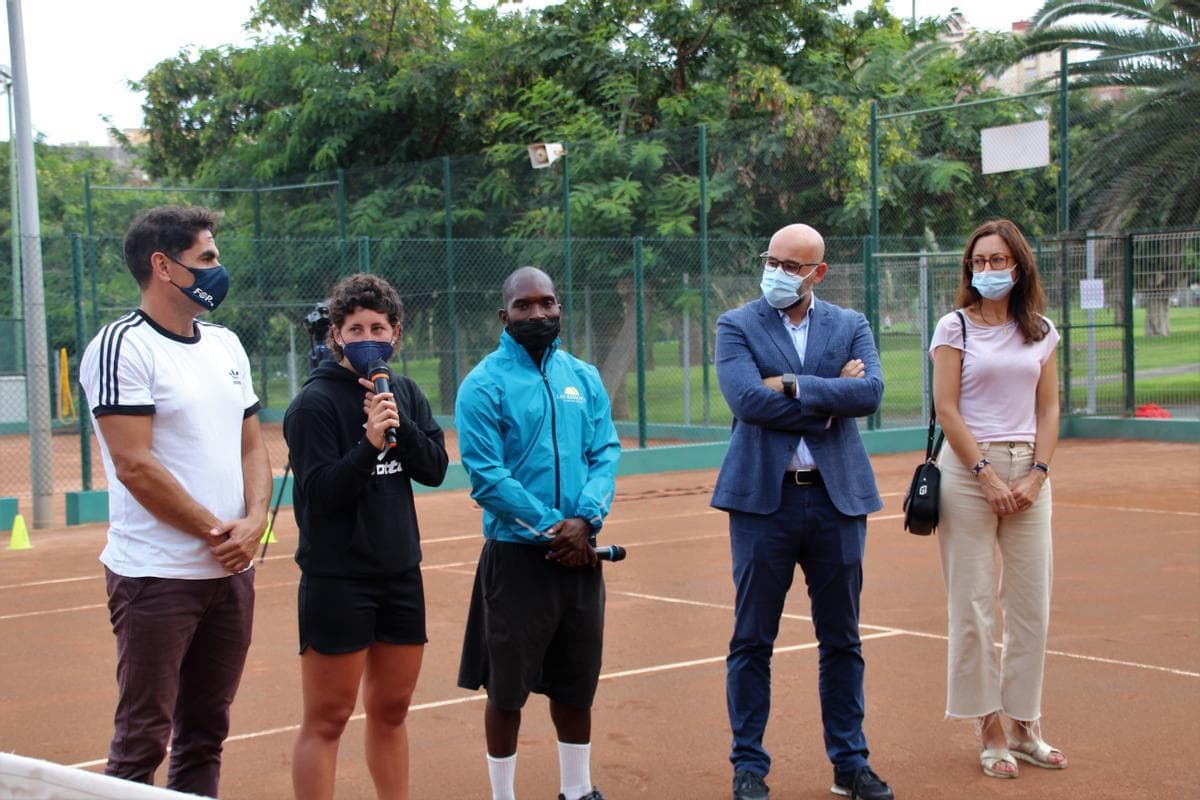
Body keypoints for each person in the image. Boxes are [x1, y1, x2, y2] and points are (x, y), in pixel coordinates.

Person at [78, 205, 272, 797]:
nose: (219, 269)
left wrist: (256, 524)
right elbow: (136, 465)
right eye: (207, 258)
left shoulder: (225, 345)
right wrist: (222, 534)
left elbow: (252, 445)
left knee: (205, 733)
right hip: (155, 578)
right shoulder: (120, 347)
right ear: (164, 266)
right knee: (141, 742)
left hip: (229, 575)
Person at [711, 223, 894, 800]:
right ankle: (749, 767)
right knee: (752, 640)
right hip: (764, 504)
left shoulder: (851, 324)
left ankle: (850, 763)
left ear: (819, 272)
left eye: (793, 266)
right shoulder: (736, 324)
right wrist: (825, 399)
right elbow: (745, 400)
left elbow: (870, 394)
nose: (779, 273)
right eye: (772, 260)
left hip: (837, 500)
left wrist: (789, 384)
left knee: (841, 639)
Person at [455, 266, 620, 800]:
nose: (538, 313)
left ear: (559, 308)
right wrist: (556, 528)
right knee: (507, 691)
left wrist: (587, 520)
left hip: (581, 556)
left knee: (576, 684)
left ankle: (577, 790)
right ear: (504, 316)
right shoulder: (483, 384)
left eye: (547, 303)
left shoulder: (584, 376)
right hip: (518, 560)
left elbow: (604, 453)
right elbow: (487, 477)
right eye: (524, 306)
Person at [284, 273, 448, 800]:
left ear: (396, 333)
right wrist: (367, 443)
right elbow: (320, 494)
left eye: (378, 326)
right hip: (338, 579)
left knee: (393, 710)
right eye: (355, 328)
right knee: (328, 719)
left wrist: (399, 432)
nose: (367, 336)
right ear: (336, 335)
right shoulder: (313, 405)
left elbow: (435, 469)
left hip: (399, 572)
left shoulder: (402, 392)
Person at [929, 219, 1065, 779]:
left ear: (1019, 265)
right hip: (967, 471)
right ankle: (987, 726)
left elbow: (1050, 410)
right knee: (974, 604)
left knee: (1032, 606)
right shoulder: (954, 327)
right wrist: (984, 474)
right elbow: (947, 408)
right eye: (978, 261)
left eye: (997, 260)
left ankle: (1025, 723)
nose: (987, 270)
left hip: (1029, 471)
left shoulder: (1041, 330)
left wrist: (1036, 474)